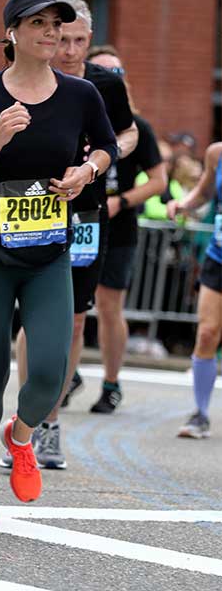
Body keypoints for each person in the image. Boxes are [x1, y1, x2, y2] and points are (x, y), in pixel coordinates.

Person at [0, 0, 116, 525]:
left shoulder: (80, 95)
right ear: (12, 34)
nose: (51, 33)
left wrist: (85, 173)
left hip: (49, 254)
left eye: (57, 24)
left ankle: (20, 437)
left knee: (50, 372)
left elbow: (106, 147)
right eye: (39, 24)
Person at [0, 1, 135, 470]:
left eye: (80, 41)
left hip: (87, 212)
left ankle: (47, 420)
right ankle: (27, 417)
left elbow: (125, 136)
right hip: (30, 205)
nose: (70, 49)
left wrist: (95, 160)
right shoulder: (27, 73)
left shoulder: (104, 85)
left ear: (90, 40)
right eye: (64, 38)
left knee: (74, 319)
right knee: (31, 319)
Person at [86, 48, 162, 416]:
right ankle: (64, 376)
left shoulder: (136, 126)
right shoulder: (73, 113)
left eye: (112, 72)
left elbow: (159, 181)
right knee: (67, 305)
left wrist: (123, 201)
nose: (105, 78)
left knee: (108, 306)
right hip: (77, 220)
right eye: (98, 71)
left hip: (118, 225)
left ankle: (111, 382)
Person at [166, 138, 221, 438]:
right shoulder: (216, 153)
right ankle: (200, 414)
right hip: (218, 257)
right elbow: (205, 192)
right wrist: (183, 204)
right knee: (207, 333)